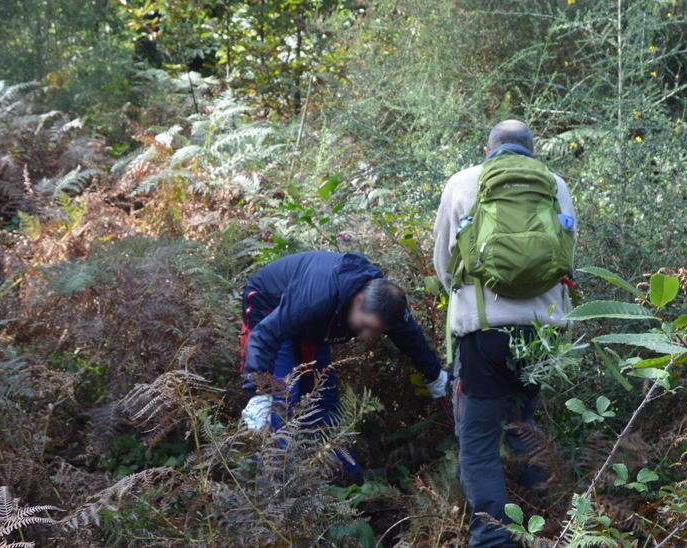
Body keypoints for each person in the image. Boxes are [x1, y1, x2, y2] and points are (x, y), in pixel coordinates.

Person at [433, 120, 577, 547]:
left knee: (478, 442)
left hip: (482, 335)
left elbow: (443, 262)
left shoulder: (462, 183)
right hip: (541, 334)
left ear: (488, 149)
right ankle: (548, 524)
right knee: (523, 426)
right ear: (533, 150)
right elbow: (568, 257)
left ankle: (494, 540)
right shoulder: (555, 185)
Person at [238, 250, 449, 477]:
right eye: (367, 326)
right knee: (283, 398)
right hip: (270, 307)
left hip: (313, 325)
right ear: (358, 300)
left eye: (378, 332)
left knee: (322, 396)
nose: (368, 336)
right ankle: (279, 486)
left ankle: (346, 477)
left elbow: (411, 338)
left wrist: (435, 375)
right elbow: (264, 336)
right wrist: (259, 393)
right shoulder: (315, 299)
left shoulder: (386, 303)